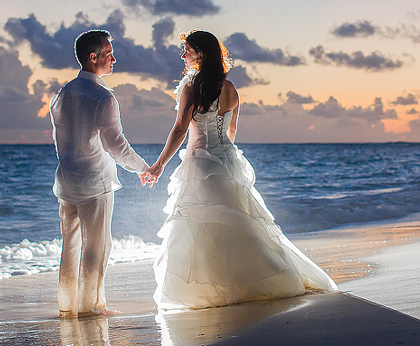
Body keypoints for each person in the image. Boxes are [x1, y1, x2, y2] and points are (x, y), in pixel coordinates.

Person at [144, 30, 336, 310]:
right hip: (227, 159)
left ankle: (219, 287)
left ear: (201, 53)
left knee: (205, 226)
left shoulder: (191, 86)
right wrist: (223, 157)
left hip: (200, 161)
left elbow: (180, 129)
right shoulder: (230, 88)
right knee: (239, 224)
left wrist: (159, 164)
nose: (182, 55)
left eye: (186, 50)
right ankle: (256, 279)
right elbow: (231, 131)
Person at [49, 29, 149, 318]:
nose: (114, 59)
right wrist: (144, 168)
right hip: (95, 181)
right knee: (97, 244)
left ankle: (68, 305)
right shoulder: (104, 97)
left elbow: (61, 142)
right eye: (108, 54)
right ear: (93, 58)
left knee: (70, 244)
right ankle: (92, 306)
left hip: (66, 180)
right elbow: (115, 144)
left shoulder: (60, 93)